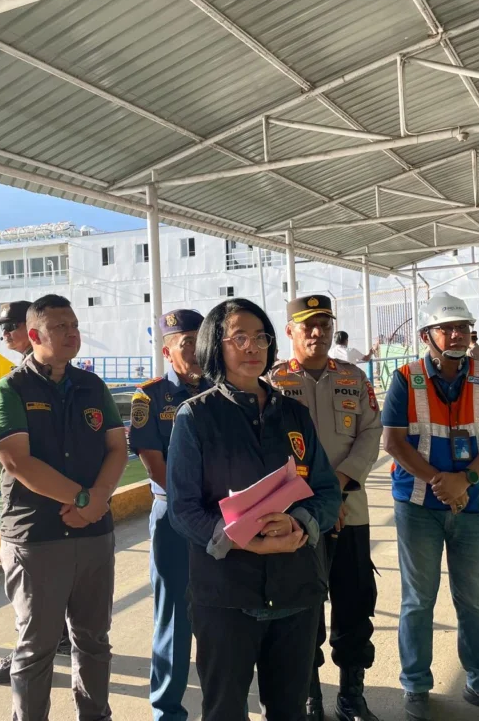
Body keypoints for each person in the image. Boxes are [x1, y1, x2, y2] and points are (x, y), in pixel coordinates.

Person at [168, 298, 342, 721]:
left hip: (295, 589)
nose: (252, 347)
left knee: (290, 710)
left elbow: (325, 490)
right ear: (216, 345)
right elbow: (183, 509)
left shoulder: (294, 414)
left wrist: (299, 524)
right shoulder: (195, 417)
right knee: (224, 710)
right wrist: (241, 539)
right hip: (226, 595)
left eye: (261, 337)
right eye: (239, 338)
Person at [0, 294, 128, 721]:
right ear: (34, 334)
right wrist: (83, 499)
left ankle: (95, 715)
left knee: (94, 640)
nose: (71, 333)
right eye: (60, 326)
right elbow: (17, 462)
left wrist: (98, 499)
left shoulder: (92, 386)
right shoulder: (10, 390)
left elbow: (117, 448)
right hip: (38, 539)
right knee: (36, 648)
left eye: (75, 325)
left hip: (93, 534)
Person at [381, 292, 479, 721]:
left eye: (463, 327)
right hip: (418, 506)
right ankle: (416, 686)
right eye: (447, 328)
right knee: (417, 600)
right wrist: (440, 482)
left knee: (474, 600)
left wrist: (466, 480)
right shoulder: (405, 378)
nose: (457, 335)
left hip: (475, 504)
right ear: (427, 335)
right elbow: (394, 442)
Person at [268, 295, 382, 721]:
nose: (317, 332)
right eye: (308, 325)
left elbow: (371, 432)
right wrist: (315, 502)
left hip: (351, 510)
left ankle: (351, 695)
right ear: (290, 331)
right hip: (297, 517)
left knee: (354, 602)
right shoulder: (273, 382)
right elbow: (268, 448)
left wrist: (336, 489)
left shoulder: (353, 378)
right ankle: (310, 695)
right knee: (303, 608)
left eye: (325, 324)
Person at [130, 309, 212, 721]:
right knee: (175, 616)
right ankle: (167, 711)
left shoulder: (222, 390)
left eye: (200, 341)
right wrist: (190, 503)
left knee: (219, 612)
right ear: (167, 352)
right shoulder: (150, 396)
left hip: (219, 515)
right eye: (186, 343)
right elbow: (152, 460)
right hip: (173, 516)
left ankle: (222, 704)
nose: (195, 350)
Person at [0, 300, 73, 685]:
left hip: (32, 503)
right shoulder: (22, 379)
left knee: (29, 589)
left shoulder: (26, 382)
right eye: (1, 328)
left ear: (31, 328)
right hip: (47, 497)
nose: (5, 334)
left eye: (10, 326)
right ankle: (59, 638)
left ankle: (27, 654)